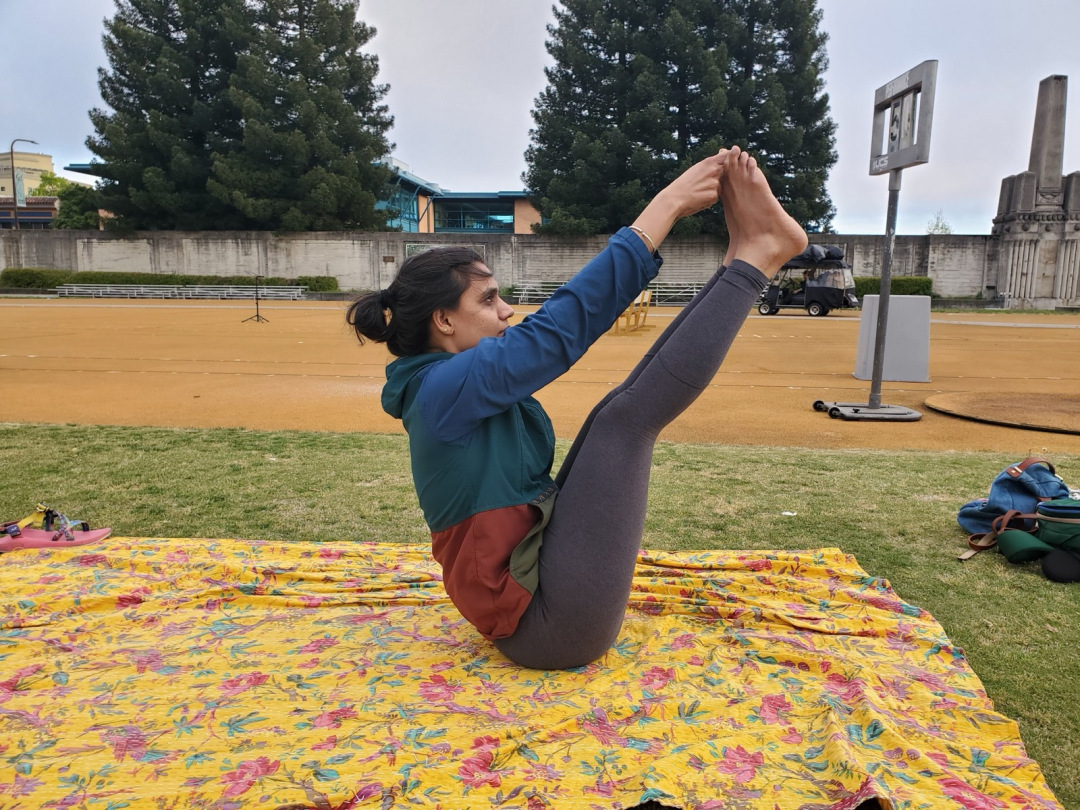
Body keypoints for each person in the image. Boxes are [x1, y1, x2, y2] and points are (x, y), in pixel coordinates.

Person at [347, 147, 807, 670]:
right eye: (488, 300)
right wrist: (667, 206)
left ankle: (742, 260)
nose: (507, 309)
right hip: (548, 630)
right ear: (444, 322)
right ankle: (757, 260)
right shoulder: (441, 389)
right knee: (624, 423)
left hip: (542, 596)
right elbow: (558, 331)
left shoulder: (444, 385)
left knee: (613, 414)